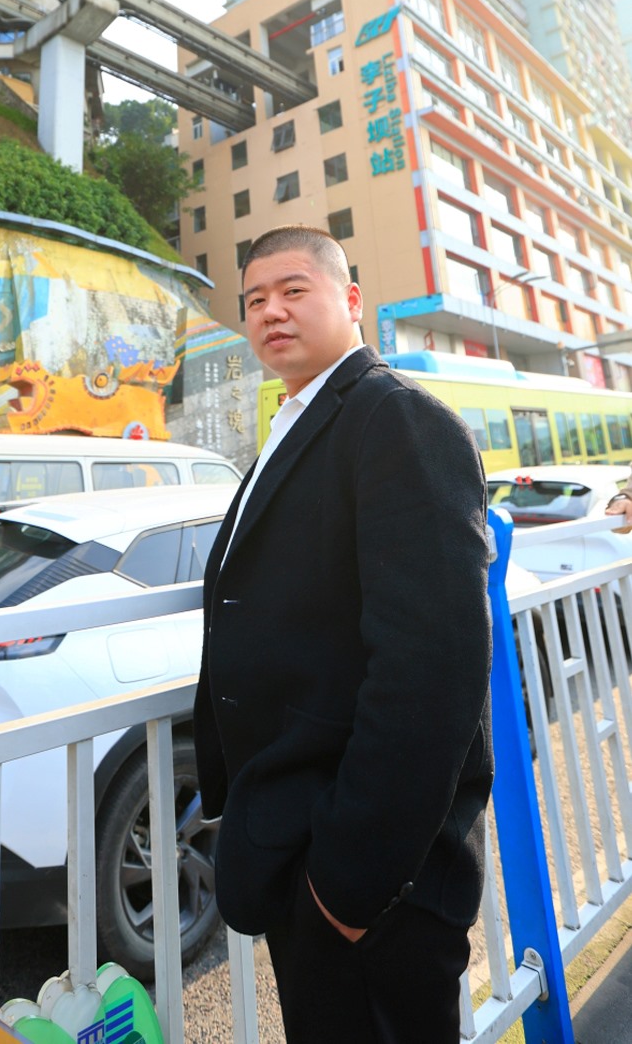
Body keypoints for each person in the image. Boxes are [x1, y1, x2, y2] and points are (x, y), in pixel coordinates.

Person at [193, 224, 493, 1043]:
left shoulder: (398, 419)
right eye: (254, 299)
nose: (270, 311)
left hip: (372, 875)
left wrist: (348, 886)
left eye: (294, 290)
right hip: (305, 842)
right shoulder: (296, 421)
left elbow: (433, 665)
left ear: (352, 299)